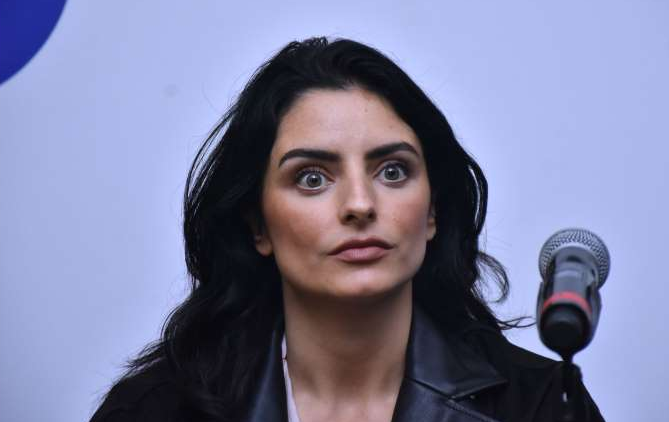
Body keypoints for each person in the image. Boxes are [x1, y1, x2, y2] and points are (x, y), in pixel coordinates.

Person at [90, 37, 604, 422]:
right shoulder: (157, 409)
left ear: (432, 212)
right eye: (312, 178)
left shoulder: (538, 405)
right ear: (257, 226)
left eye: (392, 171)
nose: (359, 205)